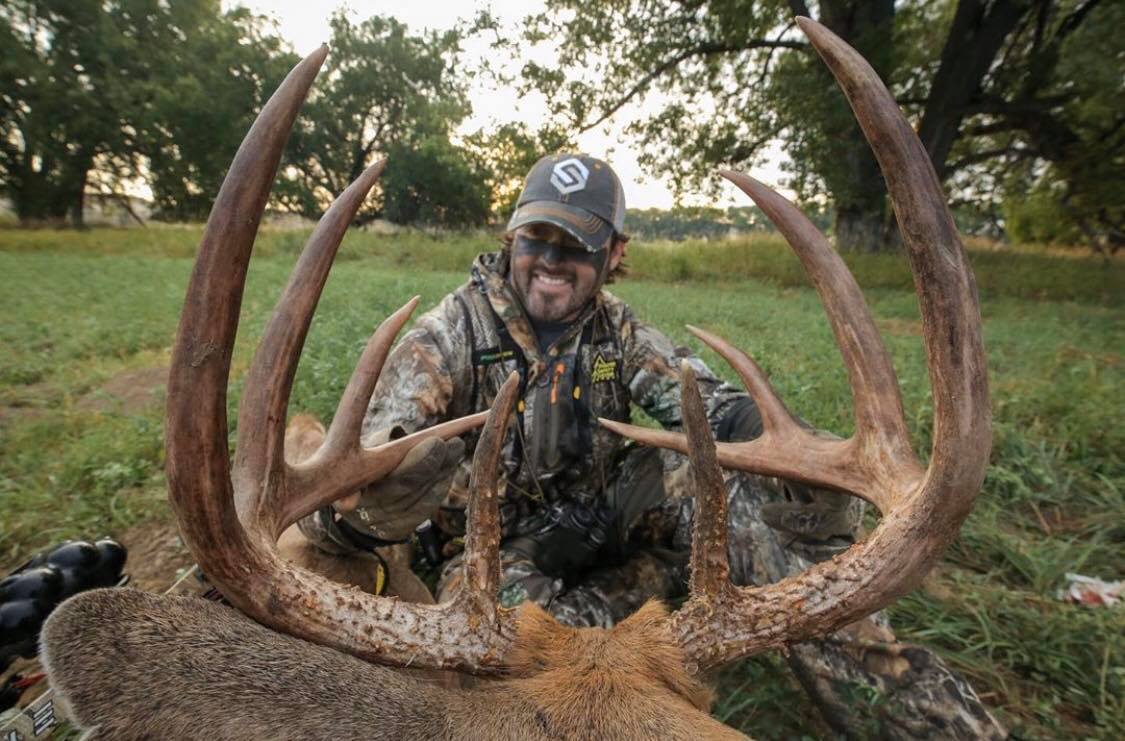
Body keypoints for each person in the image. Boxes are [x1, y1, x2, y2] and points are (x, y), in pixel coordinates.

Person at [297, 154, 1005, 738]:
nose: (551, 261)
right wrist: (368, 510)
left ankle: (896, 699)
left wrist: (792, 454)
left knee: (732, 487)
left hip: (607, 512)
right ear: (510, 238)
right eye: (536, 238)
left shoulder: (617, 331)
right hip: (496, 553)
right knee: (499, 647)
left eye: (576, 245)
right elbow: (357, 482)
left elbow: (704, 404)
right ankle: (646, 617)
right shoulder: (446, 337)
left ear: (613, 253)